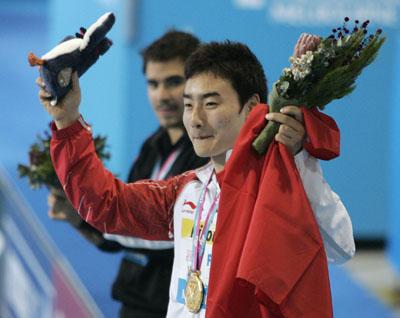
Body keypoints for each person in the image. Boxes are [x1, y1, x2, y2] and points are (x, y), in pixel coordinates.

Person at [37, 38, 355, 317]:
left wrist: (299, 160)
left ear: (252, 107)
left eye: (211, 103)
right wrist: (67, 121)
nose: (196, 119)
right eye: (189, 105)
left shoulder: (273, 188)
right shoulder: (187, 191)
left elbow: (340, 248)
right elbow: (107, 205)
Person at [46, 30, 210, 318]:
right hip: (132, 304)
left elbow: (177, 239)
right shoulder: (152, 145)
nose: (162, 95)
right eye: (153, 84)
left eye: (173, 82)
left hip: (172, 308)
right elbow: (124, 231)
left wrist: (97, 217)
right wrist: (82, 219)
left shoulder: (207, 156)